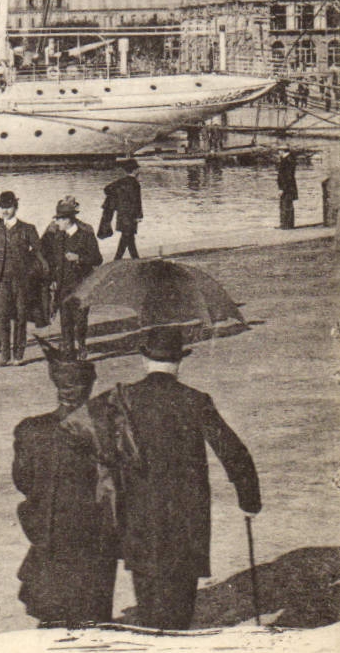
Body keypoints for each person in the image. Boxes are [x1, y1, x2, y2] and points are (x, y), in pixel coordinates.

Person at [65, 326, 261, 630]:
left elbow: (74, 427)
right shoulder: (196, 400)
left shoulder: (122, 397)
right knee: (181, 604)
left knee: (148, 602)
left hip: (139, 515)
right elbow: (234, 453)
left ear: (145, 360)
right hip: (187, 518)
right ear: (179, 362)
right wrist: (250, 501)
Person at [13, 342, 118, 628]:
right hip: (92, 538)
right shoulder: (102, 429)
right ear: (89, 386)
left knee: (53, 617)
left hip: (49, 533)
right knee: (93, 619)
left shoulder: (30, 429)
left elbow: (22, 481)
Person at [0, 191, 47, 367]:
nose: (5, 211)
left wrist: (28, 271)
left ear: (16, 207)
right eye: (2, 207)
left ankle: (18, 354)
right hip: (1, 280)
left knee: (21, 316)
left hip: (21, 280)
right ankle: (5, 353)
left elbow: (38, 253)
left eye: (8, 207)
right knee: (1, 316)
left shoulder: (27, 229)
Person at [40, 196, 103, 359]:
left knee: (80, 318)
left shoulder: (86, 234)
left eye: (59, 219)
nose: (56, 222)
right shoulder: (57, 236)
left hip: (82, 283)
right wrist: (52, 280)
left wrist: (79, 258)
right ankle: (68, 347)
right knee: (65, 318)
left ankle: (81, 345)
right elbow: (51, 260)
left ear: (68, 220)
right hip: (62, 283)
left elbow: (97, 258)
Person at [100, 159, 143, 259]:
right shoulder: (135, 184)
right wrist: (138, 215)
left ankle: (130, 258)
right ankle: (125, 259)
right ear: (135, 170)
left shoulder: (121, 182)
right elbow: (136, 201)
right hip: (131, 215)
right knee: (128, 237)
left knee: (128, 237)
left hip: (121, 214)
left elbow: (107, 189)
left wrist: (119, 201)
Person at [276, 146, 298, 229]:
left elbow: (288, 176)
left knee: (286, 205)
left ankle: (287, 225)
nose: (278, 153)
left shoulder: (287, 160)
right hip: (288, 187)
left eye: (279, 151)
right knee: (285, 204)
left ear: (282, 151)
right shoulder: (288, 159)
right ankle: (285, 224)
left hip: (287, 188)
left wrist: (282, 189)